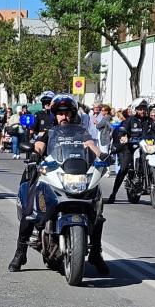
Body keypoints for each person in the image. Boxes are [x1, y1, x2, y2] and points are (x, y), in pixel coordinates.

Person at [8, 94, 109, 275]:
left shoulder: (81, 132)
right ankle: (20, 252)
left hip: (75, 174)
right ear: (55, 115)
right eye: (60, 113)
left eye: (67, 113)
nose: (64, 117)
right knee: (30, 207)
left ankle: (95, 253)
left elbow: (91, 145)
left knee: (97, 210)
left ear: (72, 114)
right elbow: (39, 145)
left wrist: (102, 156)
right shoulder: (50, 132)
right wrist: (34, 154)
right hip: (53, 173)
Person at [107, 99, 153, 204]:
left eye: (144, 109)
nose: (142, 111)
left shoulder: (149, 121)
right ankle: (113, 194)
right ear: (136, 110)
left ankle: (154, 180)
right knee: (123, 169)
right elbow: (122, 129)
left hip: (145, 147)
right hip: (131, 148)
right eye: (140, 109)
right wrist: (123, 136)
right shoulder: (130, 120)